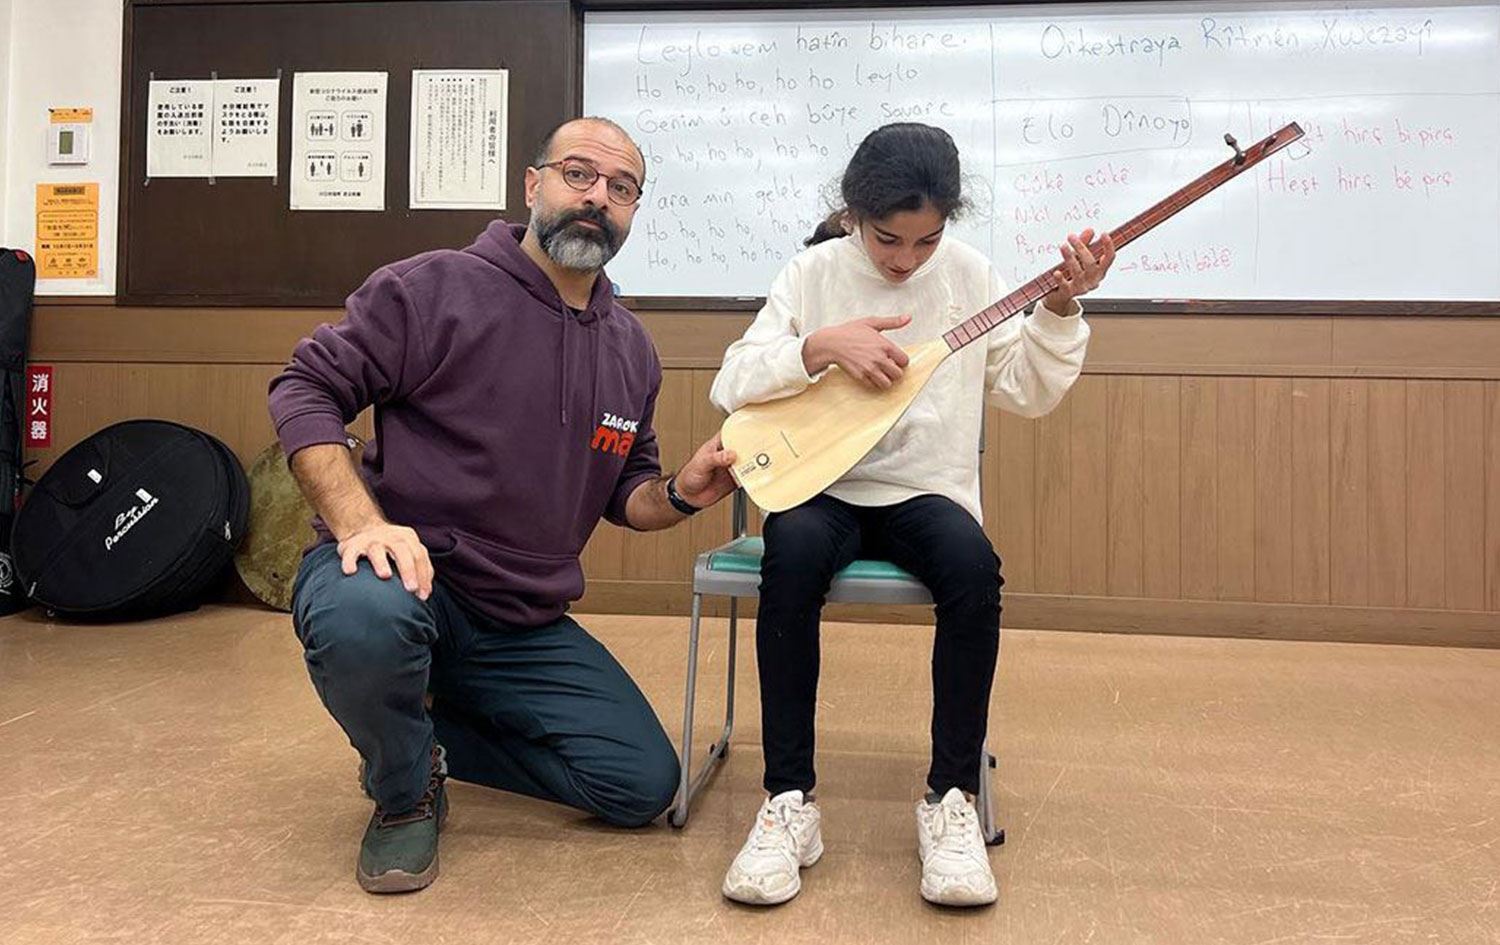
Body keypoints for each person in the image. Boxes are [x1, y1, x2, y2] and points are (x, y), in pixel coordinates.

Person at [268, 116, 738, 894]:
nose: (597, 197)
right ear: (532, 184)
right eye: (578, 174)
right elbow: (305, 386)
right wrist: (361, 522)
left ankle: (416, 731)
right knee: (364, 618)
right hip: (402, 575)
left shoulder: (631, 350)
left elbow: (629, 495)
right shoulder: (431, 288)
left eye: (621, 188)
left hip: (520, 618)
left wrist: (684, 492)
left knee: (640, 784)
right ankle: (404, 790)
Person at [708, 122, 1115, 907]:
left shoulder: (970, 275)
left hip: (927, 491)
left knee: (973, 570)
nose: (905, 261)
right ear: (853, 213)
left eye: (926, 241)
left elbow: (1027, 389)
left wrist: (1060, 310)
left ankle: (950, 797)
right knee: (789, 560)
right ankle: (789, 800)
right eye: (888, 239)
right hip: (823, 485)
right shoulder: (813, 272)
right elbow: (732, 381)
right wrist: (817, 348)